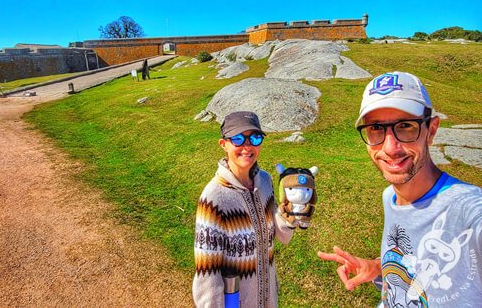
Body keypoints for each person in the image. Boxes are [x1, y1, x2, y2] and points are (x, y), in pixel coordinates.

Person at [318, 71, 481, 307]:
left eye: (405, 126)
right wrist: (378, 267)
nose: (390, 147)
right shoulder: (390, 197)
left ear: (431, 130)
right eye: (375, 128)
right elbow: (411, 262)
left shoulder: (468, 208)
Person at [193, 111, 299, 307]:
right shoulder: (213, 198)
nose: (247, 146)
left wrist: (293, 210)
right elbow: (207, 273)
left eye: (255, 138)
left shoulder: (265, 181)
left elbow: (282, 236)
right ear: (223, 144)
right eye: (238, 138)